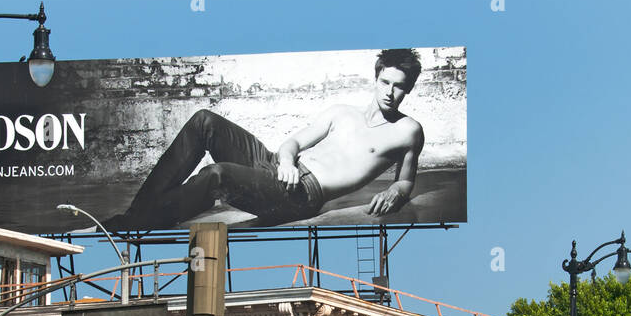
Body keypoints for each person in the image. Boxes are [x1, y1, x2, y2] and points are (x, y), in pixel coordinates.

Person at [109, 49, 426, 230]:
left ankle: (142, 222)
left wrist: (396, 191)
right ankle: (136, 216)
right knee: (204, 121)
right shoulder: (341, 112)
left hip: (302, 193)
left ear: (408, 89)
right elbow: (293, 143)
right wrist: (286, 160)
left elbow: (406, 181)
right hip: (276, 164)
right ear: (376, 78)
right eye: (385, 82)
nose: (390, 91)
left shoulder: (407, 130)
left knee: (218, 175)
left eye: (399, 86)